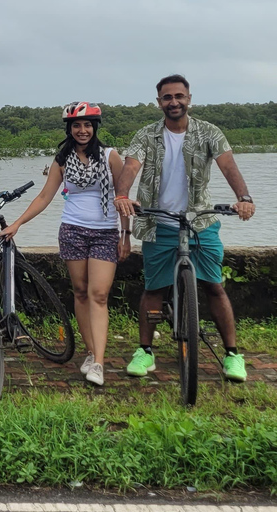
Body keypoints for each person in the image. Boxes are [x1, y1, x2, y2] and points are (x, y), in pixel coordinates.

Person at [114, 74, 256, 382]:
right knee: (153, 288)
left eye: (179, 96)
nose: (174, 102)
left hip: (199, 222)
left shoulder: (209, 132)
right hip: (157, 222)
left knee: (214, 285)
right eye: (167, 97)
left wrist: (243, 198)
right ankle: (145, 351)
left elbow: (228, 166)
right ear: (159, 103)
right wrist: (122, 195)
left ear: (189, 99)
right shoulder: (146, 134)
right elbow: (131, 166)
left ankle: (232, 354)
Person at [0, 102, 130, 386]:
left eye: (87, 125)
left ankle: (99, 363)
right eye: (77, 126)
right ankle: (91, 351)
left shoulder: (110, 156)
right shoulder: (62, 159)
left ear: (95, 128)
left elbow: (123, 197)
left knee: (99, 295)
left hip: (105, 232)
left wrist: (126, 235)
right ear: (69, 129)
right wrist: (18, 223)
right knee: (81, 292)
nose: (82, 130)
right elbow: (45, 197)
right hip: (72, 231)